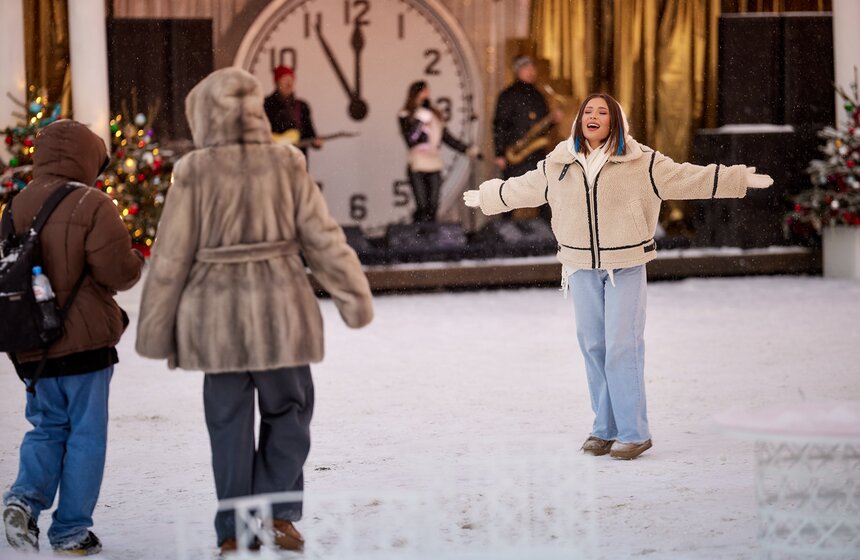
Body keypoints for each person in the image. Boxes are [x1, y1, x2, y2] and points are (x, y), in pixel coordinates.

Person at [135, 67, 373, 556]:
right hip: (279, 310)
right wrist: (353, 296)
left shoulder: (195, 170)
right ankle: (276, 512)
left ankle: (235, 526)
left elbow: (171, 256)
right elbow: (322, 238)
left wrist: (155, 330)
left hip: (214, 317)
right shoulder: (286, 163)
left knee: (227, 427)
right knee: (290, 412)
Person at [464, 93, 773, 460]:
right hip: (579, 267)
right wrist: (488, 197)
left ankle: (633, 432)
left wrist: (736, 179)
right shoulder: (559, 163)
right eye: (588, 111)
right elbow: (521, 188)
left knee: (622, 347)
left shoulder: (642, 162)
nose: (593, 116)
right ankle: (604, 428)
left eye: (602, 112)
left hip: (625, 265)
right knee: (594, 347)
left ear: (615, 122)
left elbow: (690, 178)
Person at [2, 120, 145, 554]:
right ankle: (70, 531)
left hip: (33, 343)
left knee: (46, 427)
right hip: (84, 346)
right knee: (85, 435)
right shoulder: (92, 202)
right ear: (87, 157)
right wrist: (136, 258)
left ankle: (23, 501)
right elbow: (118, 273)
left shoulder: (14, 206)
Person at [398, 80, 479, 222]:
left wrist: (466, 149)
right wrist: (419, 120)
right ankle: (419, 235)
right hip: (417, 164)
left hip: (433, 163)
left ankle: (431, 236)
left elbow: (446, 137)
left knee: (433, 205)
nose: (426, 94)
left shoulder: (434, 114)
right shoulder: (406, 114)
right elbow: (411, 139)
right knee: (422, 205)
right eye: (424, 91)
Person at [492, 55, 559, 181]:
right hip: (515, 154)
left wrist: (552, 121)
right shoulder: (508, 95)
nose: (531, 71)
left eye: (532, 67)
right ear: (517, 71)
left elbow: (543, 125)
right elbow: (500, 124)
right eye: (526, 67)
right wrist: (499, 153)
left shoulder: (539, 95)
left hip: (537, 156)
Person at [263, 65, 322, 156]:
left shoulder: (302, 106)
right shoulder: (265, 105)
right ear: (277, 82)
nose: (289, 84)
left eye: (291, 80)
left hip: (297, 162)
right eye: (285, 79)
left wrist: (316, 143)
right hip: (273, 161)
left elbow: (309, 133)